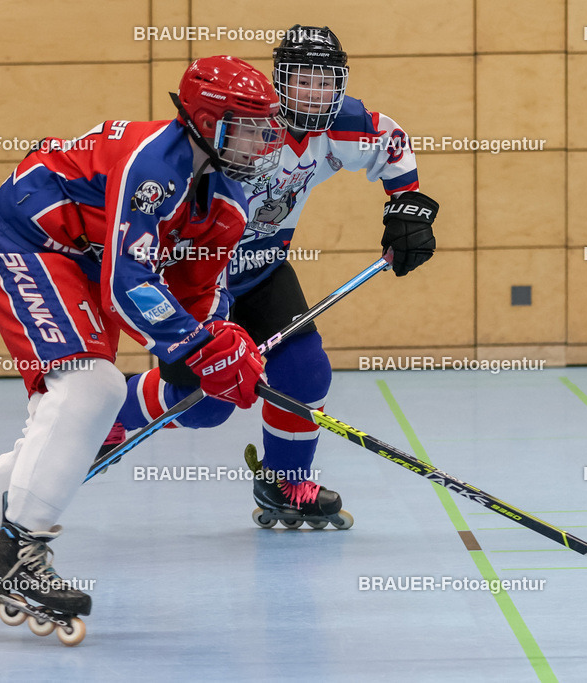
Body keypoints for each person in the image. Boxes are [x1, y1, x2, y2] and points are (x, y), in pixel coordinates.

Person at [0, 55, 285, 644]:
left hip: (88, 260)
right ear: (207, 123)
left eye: (267, 127)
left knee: (66, 422)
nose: (264, 141)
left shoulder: (229, 202)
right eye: (247, 126)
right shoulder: (154, 164)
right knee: (94, 388)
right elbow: (127, 282)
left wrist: (221, 342)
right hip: (34, 243)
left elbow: (198, 292)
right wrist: (195, 346)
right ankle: (17, 557)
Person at [115, 25, 439, 529]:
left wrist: (407, 205)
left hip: (262, 269)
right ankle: (108, 414)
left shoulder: (341, 125)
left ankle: (285, 482)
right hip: (196, 276)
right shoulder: (242, 125)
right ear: (280, 79)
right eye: (303, 79)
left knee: (305, 371)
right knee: (203, 407)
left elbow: (391, 142)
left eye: (326, 81)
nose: (315, 93)